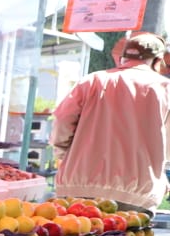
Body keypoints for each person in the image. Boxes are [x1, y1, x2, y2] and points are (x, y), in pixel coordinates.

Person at [51, 32, 170, 212]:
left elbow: (62, 119)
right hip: (136, 194)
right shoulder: (165, 89)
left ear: (123, 57)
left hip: (78, 187)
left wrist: (62, 152)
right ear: (157, 60)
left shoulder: (92, 80)